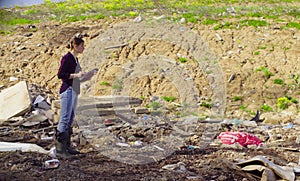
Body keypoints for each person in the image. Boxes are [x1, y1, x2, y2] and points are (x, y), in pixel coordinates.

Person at [56, 33, 94, 158]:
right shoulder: (67, 58)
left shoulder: (75, 59)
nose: (84, 48)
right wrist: (77, 75)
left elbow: (76, 78)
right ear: (76, 46)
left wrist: (86, 76)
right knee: (65, 118)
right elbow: (61, 74)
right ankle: (61, 150)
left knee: (70, 118)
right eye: (82, 46)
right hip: (67, 90)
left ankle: (67, 146)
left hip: (74, 89)